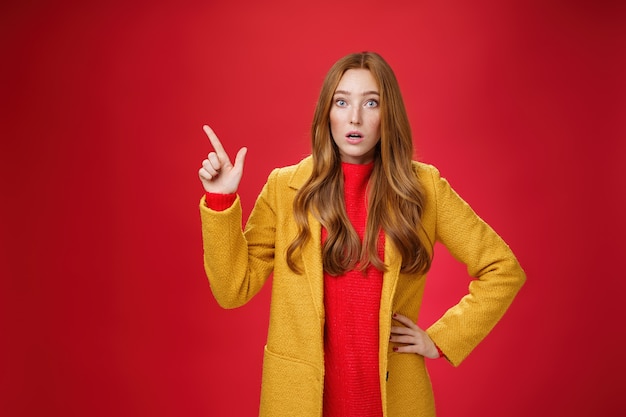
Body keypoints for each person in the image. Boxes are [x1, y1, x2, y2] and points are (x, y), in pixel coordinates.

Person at [198, 51, 526, 417]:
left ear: (389, 116)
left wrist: (441, 340)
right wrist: (220, 199)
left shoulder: (424, 188)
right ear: (328, 113)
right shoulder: (285, 187)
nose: (355, 117)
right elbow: (232, 289)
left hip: (393, 400)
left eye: (371, 103)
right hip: (301, 403)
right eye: (342, 102)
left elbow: (503, 268)